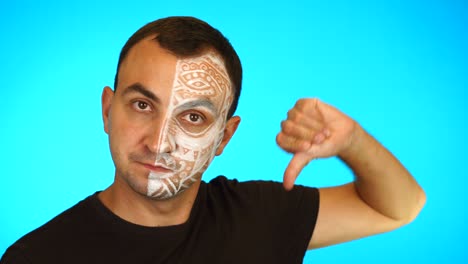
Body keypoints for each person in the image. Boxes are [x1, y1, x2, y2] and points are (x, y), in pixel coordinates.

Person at [0, 16, 426, 264]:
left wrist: (352, 142)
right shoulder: (37, 257)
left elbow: (399, 207)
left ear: (225, 136)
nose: (160, 142)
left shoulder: (262, 216)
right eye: (143, 105)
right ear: (108, 110)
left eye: (193, 117)